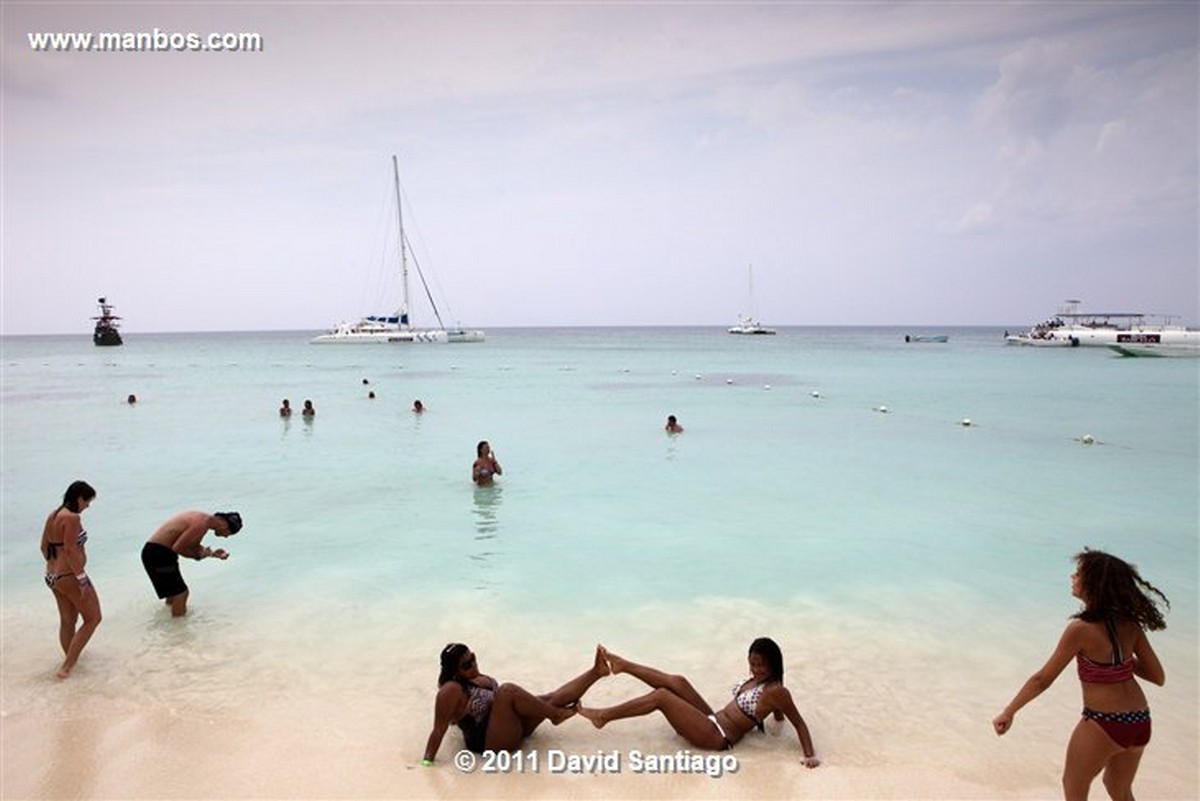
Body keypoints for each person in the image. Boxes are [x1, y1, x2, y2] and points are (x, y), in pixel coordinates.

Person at [993, 549, 1169, 801]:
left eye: (1079, 573)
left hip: (1104, 721)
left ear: (1094, 584)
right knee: (1118, 789)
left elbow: (1042, 679)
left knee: (1074, 786)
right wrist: (1120, 663)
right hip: (1139, 720)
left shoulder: (1080, 630)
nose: (1073, 576)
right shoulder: (1130, 625)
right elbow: (1157, 676)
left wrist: (1009, 711)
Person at [577, 640, 820, 766]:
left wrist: (809, 756)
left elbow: (798, 723)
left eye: (761, 665)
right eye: (752, 664)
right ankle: (624, 666)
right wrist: (775, 724)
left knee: (662, 696)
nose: (755, 669)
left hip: (717, 737)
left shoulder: (777, 690)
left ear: (774, 665)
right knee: (679, 682)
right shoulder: (762, 683)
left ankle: (603, 716)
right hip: (712, 719)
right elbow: (776, 715)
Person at [422, 644, 608, 764]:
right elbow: (439, 729)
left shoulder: (474, 677)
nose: (473, 665)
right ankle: (556, 715)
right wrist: (426, 762)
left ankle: (596, 672)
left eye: (473, 658)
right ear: (455, 672)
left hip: (509, 728)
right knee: (507, 690)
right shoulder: (451, 690)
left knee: (550, 698)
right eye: (467, 665)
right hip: (488, 743)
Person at [39, 481, 101, 679]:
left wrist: (55, 568)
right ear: (79, 498)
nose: (88, 506)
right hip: (70, 576)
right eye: (88, 501)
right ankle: (67, 667)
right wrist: (81, 578)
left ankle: (71, 660)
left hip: (52, 576)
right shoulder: (72, 518)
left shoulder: (54, 515)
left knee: (68, 621)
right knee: (93, 618)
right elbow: (70, 549)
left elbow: (43, 546)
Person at [140, 510, 243, 617]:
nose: (226, 537)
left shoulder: (203, 520)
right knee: (181, 594)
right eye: (229, 534)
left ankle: (168, 624)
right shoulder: (202, 523)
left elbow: (192, 546)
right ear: (224, 524)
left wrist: (212, 554)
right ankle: (178, 629)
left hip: (157, 552)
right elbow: (179, 548)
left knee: (173, 595)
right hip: (159, 553)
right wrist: (197, 557)